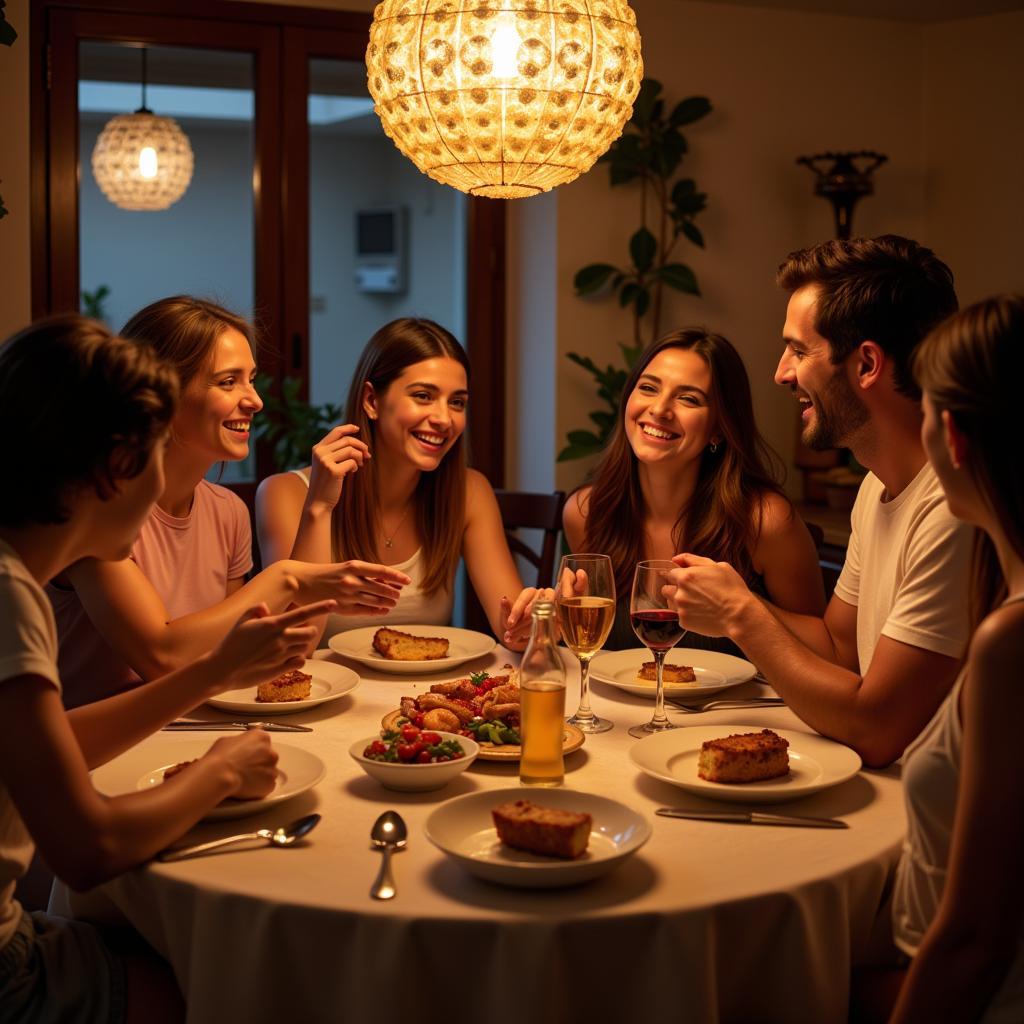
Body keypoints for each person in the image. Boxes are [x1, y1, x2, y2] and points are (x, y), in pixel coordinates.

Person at [0, 315, 335, 1023]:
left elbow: (45, 747)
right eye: (152, 451)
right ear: (113, 465)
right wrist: (223, 771)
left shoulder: (13, 578)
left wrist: (215, 673)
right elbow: (90, 848)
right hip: (10, 965)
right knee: (245, 989)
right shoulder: (9, 600)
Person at [666, 235, 973, 767]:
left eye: (799, 350)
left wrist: (741, 616)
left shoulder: (956, 509)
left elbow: (876, 729)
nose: (781, 373)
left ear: (867, 364)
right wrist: (737, 599)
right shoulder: (876, 487)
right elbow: (838, 648)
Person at [49, 296, 410, 709]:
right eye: (228, 381)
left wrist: (318, 507)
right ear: (160, 392)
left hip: (192, 730)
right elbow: (163, 657)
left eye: (251, 379)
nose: (254, 400)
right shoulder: (96, 510)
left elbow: (294, 648)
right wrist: (287, 579)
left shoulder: (225, 510)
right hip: (96, 755)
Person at [883, 295, 1024, 1022]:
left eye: (928, 407)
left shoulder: (1011, 642)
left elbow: (976, 939)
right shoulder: (999, 588)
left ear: (956, 438)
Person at [256, 317, 536, 649]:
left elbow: (514, 631)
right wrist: (319, 507)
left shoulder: (469, 492)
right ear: (372, 401)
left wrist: (534, 621)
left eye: (457, 402)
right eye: (423, 396)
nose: (444, 419)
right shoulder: (284, 494)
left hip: (428, 698)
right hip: (327, 697)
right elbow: (293, 643)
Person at [551, 327, 824, 653]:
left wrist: (741, 606)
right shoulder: (586, 511)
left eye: (688, 399)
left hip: (744, 706)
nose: (660, 409)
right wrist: (547, 622)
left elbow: (828, 652)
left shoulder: (764, 521)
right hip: (616, 705)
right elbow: (580, 645)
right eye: (648, 388)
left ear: (719, 429)